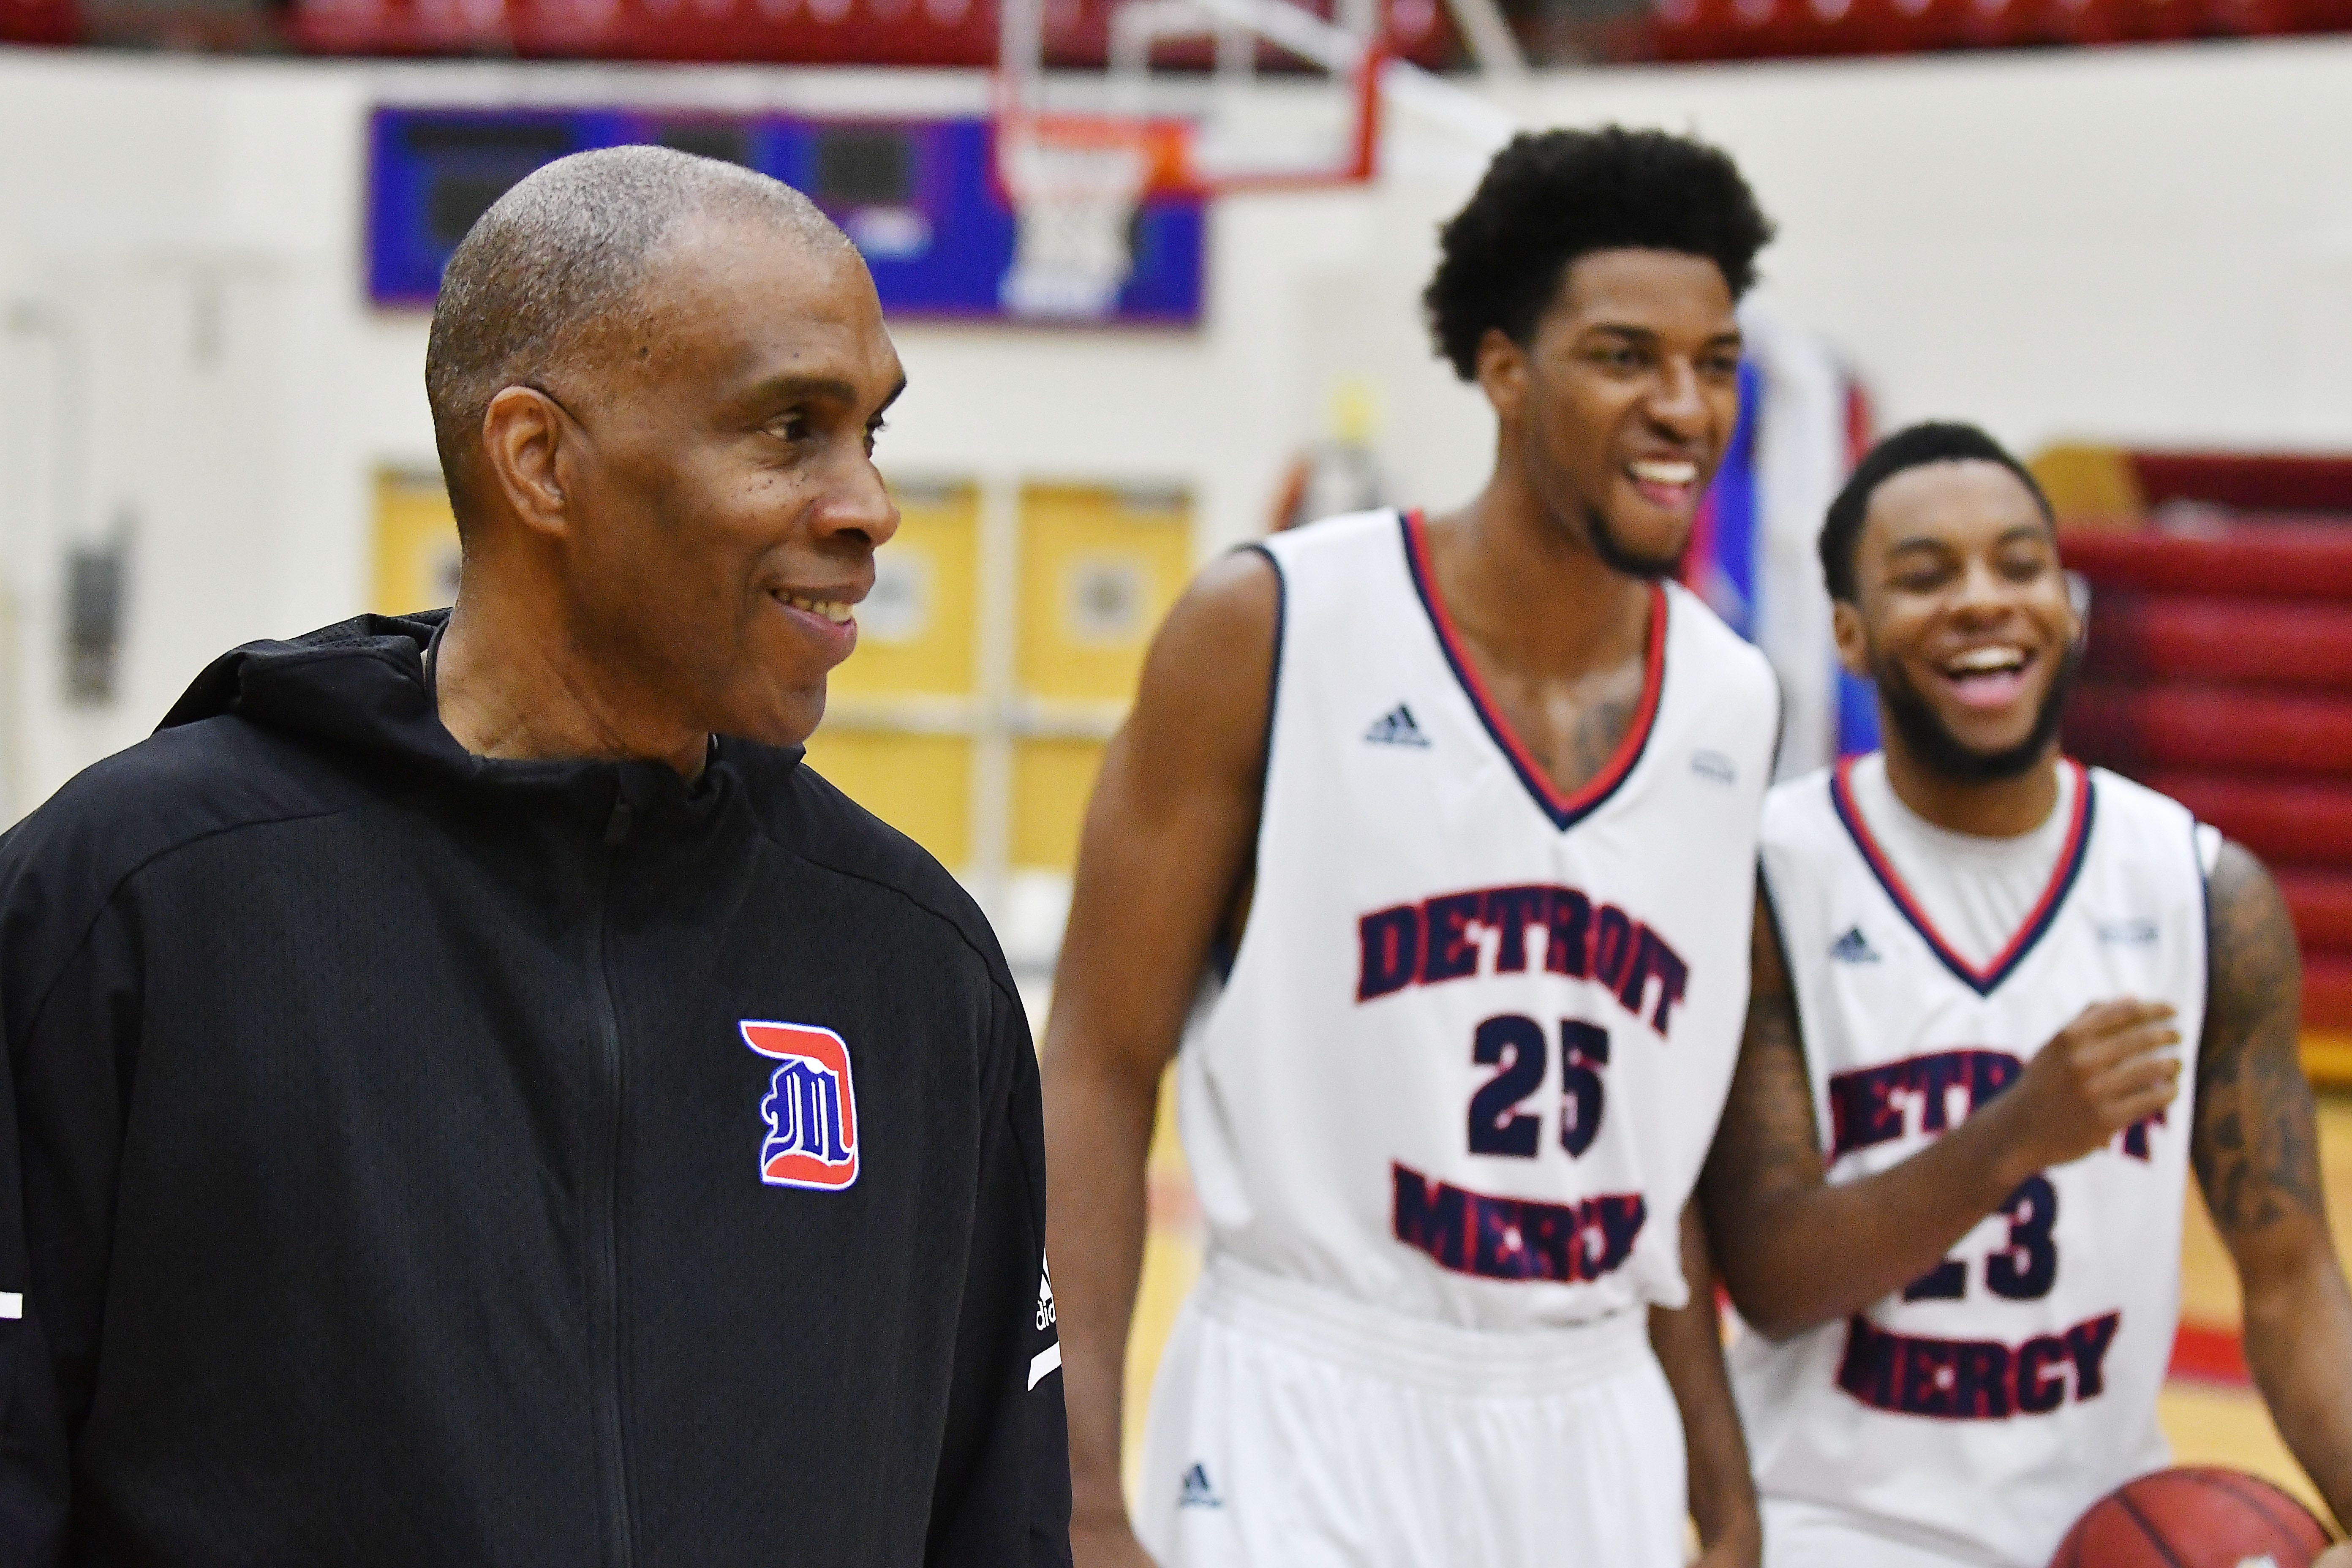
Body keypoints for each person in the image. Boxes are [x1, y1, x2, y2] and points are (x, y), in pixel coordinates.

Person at [0, 147, 1070, 1565]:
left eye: (871, 431)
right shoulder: (131, 904)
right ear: (537, 461)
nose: (867, 505)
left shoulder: (911, 967)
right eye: (789, 429)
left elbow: (992, 1516)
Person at [1043, 127, 1781, 1568]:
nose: (1685, 407)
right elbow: (1096, 1064)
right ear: (1505, 370)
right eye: (1627, 357)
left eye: (1718, 362)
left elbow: (1661, 1153)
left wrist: (1722, 1479)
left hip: (1592, 1409)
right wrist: (1075, 1487)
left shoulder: (1733, 700)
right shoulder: (1272, 627)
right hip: (1307, 1393)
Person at [1697, 421, 2352, 1567]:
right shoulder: (1770, 878)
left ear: (2073, 603)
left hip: (2101, 1524)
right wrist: (2015, 1136)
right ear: (1849, 633)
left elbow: (2295, 1292)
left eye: (2018, 564)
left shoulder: (2204, 894)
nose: (1982, 600)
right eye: (1925, 575)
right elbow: (1775, 1278)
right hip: (1834, 1527)